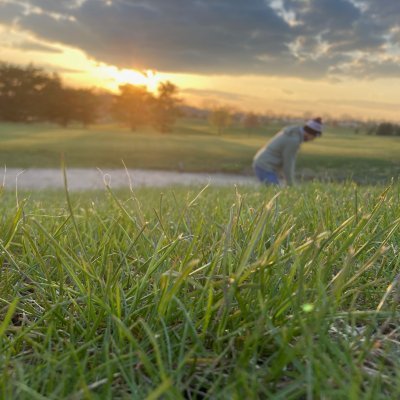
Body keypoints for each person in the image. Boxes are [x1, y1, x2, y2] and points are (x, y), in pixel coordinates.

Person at [253, 117, 323, 186]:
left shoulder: (293, 133)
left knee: (273, 191)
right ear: (310, 133)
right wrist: (290, 184)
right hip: (264, 166)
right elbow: (288, 164)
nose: (312, 139)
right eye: (314, 137)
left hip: (262, 163)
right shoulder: (293, 141)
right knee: (275, 192)